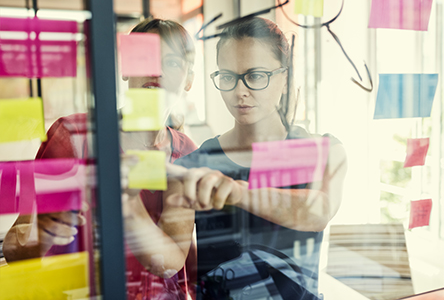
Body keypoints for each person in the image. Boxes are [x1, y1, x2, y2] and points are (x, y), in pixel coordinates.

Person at [2, 18, 231, 300]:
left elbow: (171, 263)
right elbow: (14, 248)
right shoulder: (73, 137)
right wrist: (43, 232)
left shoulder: (187, 153)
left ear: (189, 79)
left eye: (171, 62)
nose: (155, 70)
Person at [173, 17, 348, 299]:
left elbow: (318, 211)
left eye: (255, 76)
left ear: (285, 77)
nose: (240, 91)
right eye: (228, 77)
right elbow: (178, 258)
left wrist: (236, 191)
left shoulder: (324, 150)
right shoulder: (196, 164)